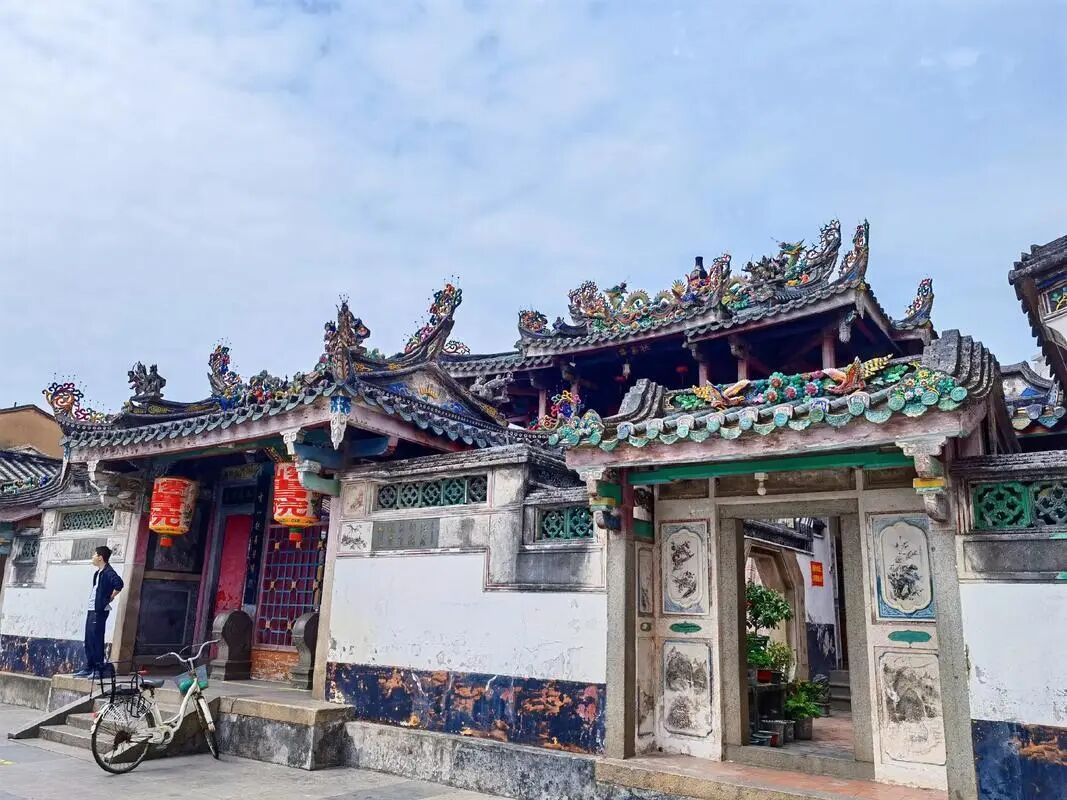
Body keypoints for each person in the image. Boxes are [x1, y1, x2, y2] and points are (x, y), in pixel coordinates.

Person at [73, 546, 124, 678]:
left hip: (100, 610)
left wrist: (110, 598)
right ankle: (90, 667)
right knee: (89, 639)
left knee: (97, 639)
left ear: (100, 557)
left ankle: (98, 669)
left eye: (94, 555)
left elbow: (119, 584)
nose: (93, 557)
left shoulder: (108, 572)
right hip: (92, 609)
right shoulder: (98, 573)